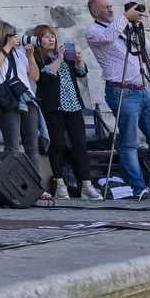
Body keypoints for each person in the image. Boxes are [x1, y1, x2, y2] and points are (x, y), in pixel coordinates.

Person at [82, 0, 150, 199]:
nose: (110, 9)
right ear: (95, 11)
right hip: (121, 90)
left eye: (111, 5)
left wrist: (136, 27)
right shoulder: (93, 31)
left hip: (142, 89)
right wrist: (125, 18)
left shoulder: (124, 28)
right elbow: (108, 37)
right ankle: (138, 188)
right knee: (130, 141)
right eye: (106, 7)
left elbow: (145, 49)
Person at [31, 26, 100, 200]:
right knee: (57, 145)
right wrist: (60, 59)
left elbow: (81, 73)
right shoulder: (38, 58)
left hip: (73, 105)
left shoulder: (65, 55)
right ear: (38, 40)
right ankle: (60, 184)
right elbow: (45, 75)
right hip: (53, 107)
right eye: (46, 37)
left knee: (80, 144)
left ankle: (87, 185)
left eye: (52, 36)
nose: (51, 39)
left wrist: (79, 60)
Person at [0, 21, 39, 166]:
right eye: (10, 35)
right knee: (12, 146)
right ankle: (12, 179)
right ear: (1, 36)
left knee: (33, 147)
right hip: (7, 100)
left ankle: (35, 180)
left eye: (15, 34)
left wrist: (31, 57)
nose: (15, 37)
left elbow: (35, 76)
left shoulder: (19, 53)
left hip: (27, 98)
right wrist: (8, 46)